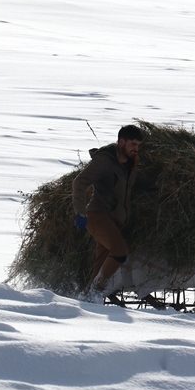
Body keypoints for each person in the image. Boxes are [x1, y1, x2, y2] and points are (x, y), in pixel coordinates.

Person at [71, 124, 153, 300]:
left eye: (138, 145)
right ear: (121, 142)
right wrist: (80, 212)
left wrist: (157, 184)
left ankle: (86, 298)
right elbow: (79, 182)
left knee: (101, 264)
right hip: (98, 216)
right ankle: (96, 289)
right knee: (120, 250)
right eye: (133, 144)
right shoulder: (104, 160)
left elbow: (134, 182)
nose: (136, 149)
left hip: (115, 221)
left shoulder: (130, 165)